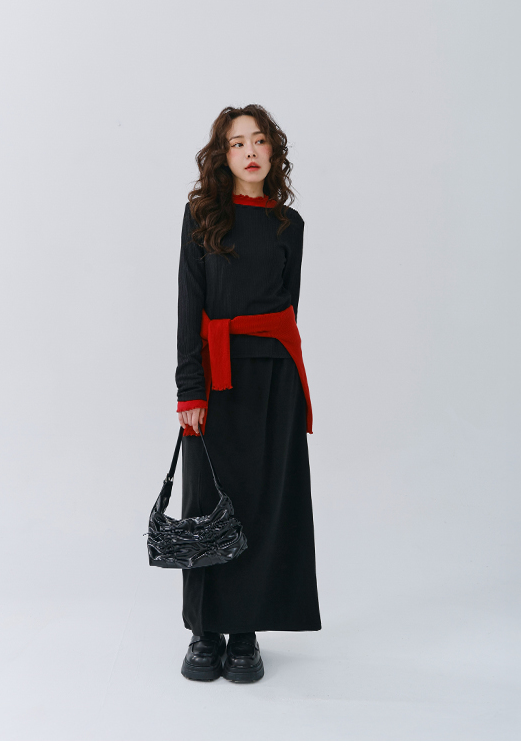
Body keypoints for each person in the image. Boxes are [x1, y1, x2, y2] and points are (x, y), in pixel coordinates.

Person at [175, 105, 321, 684]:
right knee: (208, 502)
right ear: (224, 156)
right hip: (214, 378)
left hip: (274, 380)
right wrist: (189, 388)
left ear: (273, 152)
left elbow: (288, 309)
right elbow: (189, 305)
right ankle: (205, 631)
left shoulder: (290, 225)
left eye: (259, 141)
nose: (250, 151)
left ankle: (245, 632)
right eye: (238, 143)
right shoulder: (201, 216)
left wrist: (283, 380)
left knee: (262, 502)